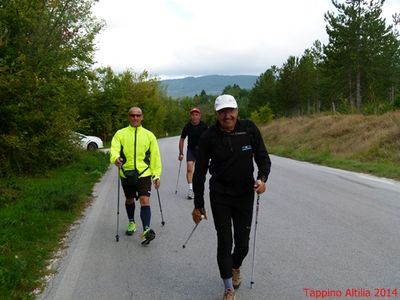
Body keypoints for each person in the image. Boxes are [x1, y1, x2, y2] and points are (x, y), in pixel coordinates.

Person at [192, 95, 271, 300]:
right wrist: (198, 204)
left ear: (237, 111)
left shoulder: (249, 129)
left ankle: (235, 266)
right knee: (225, 241)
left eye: (231, 110)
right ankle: (228, 287)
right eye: (222, 112)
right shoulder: (209, 136)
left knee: (242, 244)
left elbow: (263, 158)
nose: (227, 115)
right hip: (220, 195)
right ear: (217, 114)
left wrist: (262, 179)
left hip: (245, 194)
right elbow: (199, 172)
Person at [110, 107, 162, 245]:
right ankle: (131, 222)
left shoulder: (149, 135)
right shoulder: (120, 134)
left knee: (145, 200)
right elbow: (114, 150)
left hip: (144, 173)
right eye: (132, 115)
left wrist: (156, 175)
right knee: (129, 199)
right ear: (129, 117)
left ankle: (146, 230)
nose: (135, 118)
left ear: (142, 117)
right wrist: (115, 159)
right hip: (126, 173)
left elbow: (155, 157)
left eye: (138, 115)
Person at [178, 107, 208, 199]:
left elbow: (209, 138)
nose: (194, 116)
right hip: (191, 150)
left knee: (199, 171)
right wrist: (181, 153)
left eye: (196, 114)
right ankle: (191, 189)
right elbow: (182, 139)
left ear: (199, 116)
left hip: (201, 151)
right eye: (192, 115)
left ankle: (198, 188)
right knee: (189, 169)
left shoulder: (204, 126)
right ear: (190, 116)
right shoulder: (187, 126)